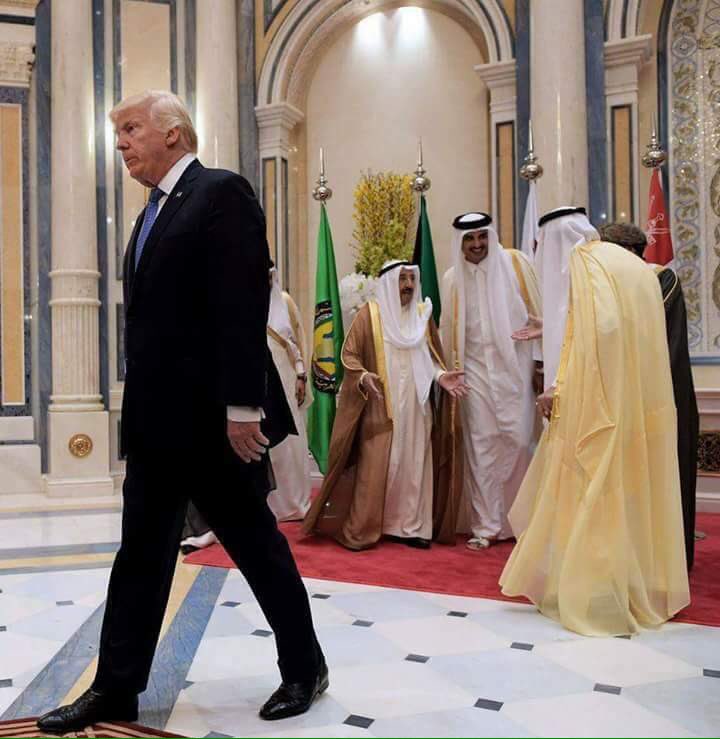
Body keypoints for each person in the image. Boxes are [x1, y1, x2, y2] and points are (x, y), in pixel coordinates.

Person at [38, 90, 326, 734]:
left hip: (213, 425)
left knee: (255, 547)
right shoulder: (151, 212)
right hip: (156, 425)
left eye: (131, 128)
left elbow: (241, 305)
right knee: (140, 554)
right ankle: (115, 689)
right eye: (118, 132)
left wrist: (243, 406)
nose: (121, 143)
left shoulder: (220, 192)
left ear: (173, 132)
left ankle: (305, 668)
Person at [500, 207, 691, 636]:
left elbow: (598, 334)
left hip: (597, 404)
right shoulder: (637, 268)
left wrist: (562, 387)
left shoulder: (586, 264)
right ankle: (630, 585)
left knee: (593, 492)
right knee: (629, 491)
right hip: (638, 402)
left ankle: (594, 592)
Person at [302, 261, 467, 550]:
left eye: (411, 279)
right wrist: (363, 377)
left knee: (415, 463)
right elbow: (349, 356)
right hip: (381, 406)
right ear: (389, 283)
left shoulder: (422, 315)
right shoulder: (370, 316)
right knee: (381, 465)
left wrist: (441, 376)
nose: (408, 285)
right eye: (402, 279)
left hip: (416, 408)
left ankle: (412, 527)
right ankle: (374, 524)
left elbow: (430, 359)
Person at [599, 222, 699, 570]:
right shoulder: (609, 285)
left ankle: (666, 564)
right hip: (624, 401)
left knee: (665, 482)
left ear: (627, 253)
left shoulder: (661, 280)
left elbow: (653, 344)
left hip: (662, 400)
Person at [440, 213, 540, 550]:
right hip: (475, 373)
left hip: (516, 369)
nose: (477, 244)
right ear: (460, 243)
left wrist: (541, 365)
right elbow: (447, 328)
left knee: (519, 441)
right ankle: (486, 526)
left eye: (482, 236)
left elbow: (538, 315)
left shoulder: (516, 265)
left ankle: (522, 523)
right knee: (481, 446)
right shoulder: (452, 279)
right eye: (469, 239)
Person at [267, 267, 313, 521]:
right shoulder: (242, 300)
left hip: (285, 379)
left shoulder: (284, 301)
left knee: (289, 443)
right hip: (259, 381)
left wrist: (301, 375)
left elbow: (296, 343)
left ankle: (293, 502)